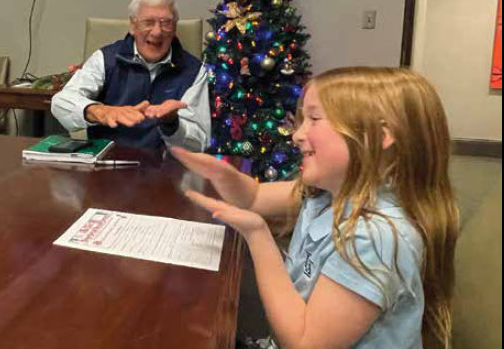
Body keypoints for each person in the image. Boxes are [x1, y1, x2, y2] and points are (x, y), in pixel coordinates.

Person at [172, 67, 460, 349]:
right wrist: (227, 176)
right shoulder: (329, 192)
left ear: (381, 136)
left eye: (314, 119)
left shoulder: (375, 237)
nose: (297, 134)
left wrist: (258, 235)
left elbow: (304, 342)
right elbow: (255, 197)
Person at [51, 0, 210, 152]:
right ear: (133, 26)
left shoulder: (194, 71)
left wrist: (172, 124)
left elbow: (200, 142)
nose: (157, 32)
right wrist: (100, 111)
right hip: (106, 166)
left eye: (166, 23)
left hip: (166, 170)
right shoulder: (106, 59)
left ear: (175, 27)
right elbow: (61, 102)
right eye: (148, 22)